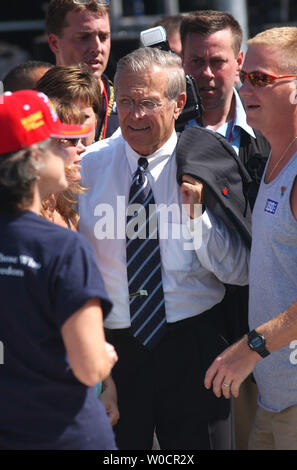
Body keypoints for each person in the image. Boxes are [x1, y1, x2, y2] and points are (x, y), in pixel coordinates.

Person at [78, 46, 250, 450]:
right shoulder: (88, 168)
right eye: (125, 102)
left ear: (179, 104)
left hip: (195, 348)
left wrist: (196, 219)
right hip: (114, 353)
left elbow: (239, 271)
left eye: (147, 103)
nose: (134, 115)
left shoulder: (209, 162)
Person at [0, 89, 118, 449]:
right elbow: (89, 367)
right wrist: (105, 357)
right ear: (35, 158)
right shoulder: (62, 246)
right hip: (65, 433)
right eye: (59, 140)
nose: (74, 146)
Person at [205, 26, 297, 451]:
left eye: (261, 79)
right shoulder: (275, 155)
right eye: (245, 77)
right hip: (273, 398)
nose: (245, 88)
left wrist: (252, 348)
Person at [40, 99, 120, 426]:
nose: (81, 149)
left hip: (86, 395)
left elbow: (84, 320)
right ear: (36, 154)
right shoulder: (20, 232)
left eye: (83, 139)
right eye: (69, 141)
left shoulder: (68, 212)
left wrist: (107, 383)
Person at [180, 10, 270, 209]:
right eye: (197, 62)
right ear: (182, 60)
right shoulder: (164, 132)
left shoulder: (270, 132)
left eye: (217, 62)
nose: (207, 73)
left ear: (239, 63)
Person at [45, 0, 119, 141]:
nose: (97, 47)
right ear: (55, 43)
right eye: (84, 37)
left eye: (103, 37)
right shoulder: (36, 108)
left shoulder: (127, 106)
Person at [36, 64, 101, 146]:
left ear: (96, 120)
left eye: (84, 117)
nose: (75, 127)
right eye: (63, 115)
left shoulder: (110, 157)